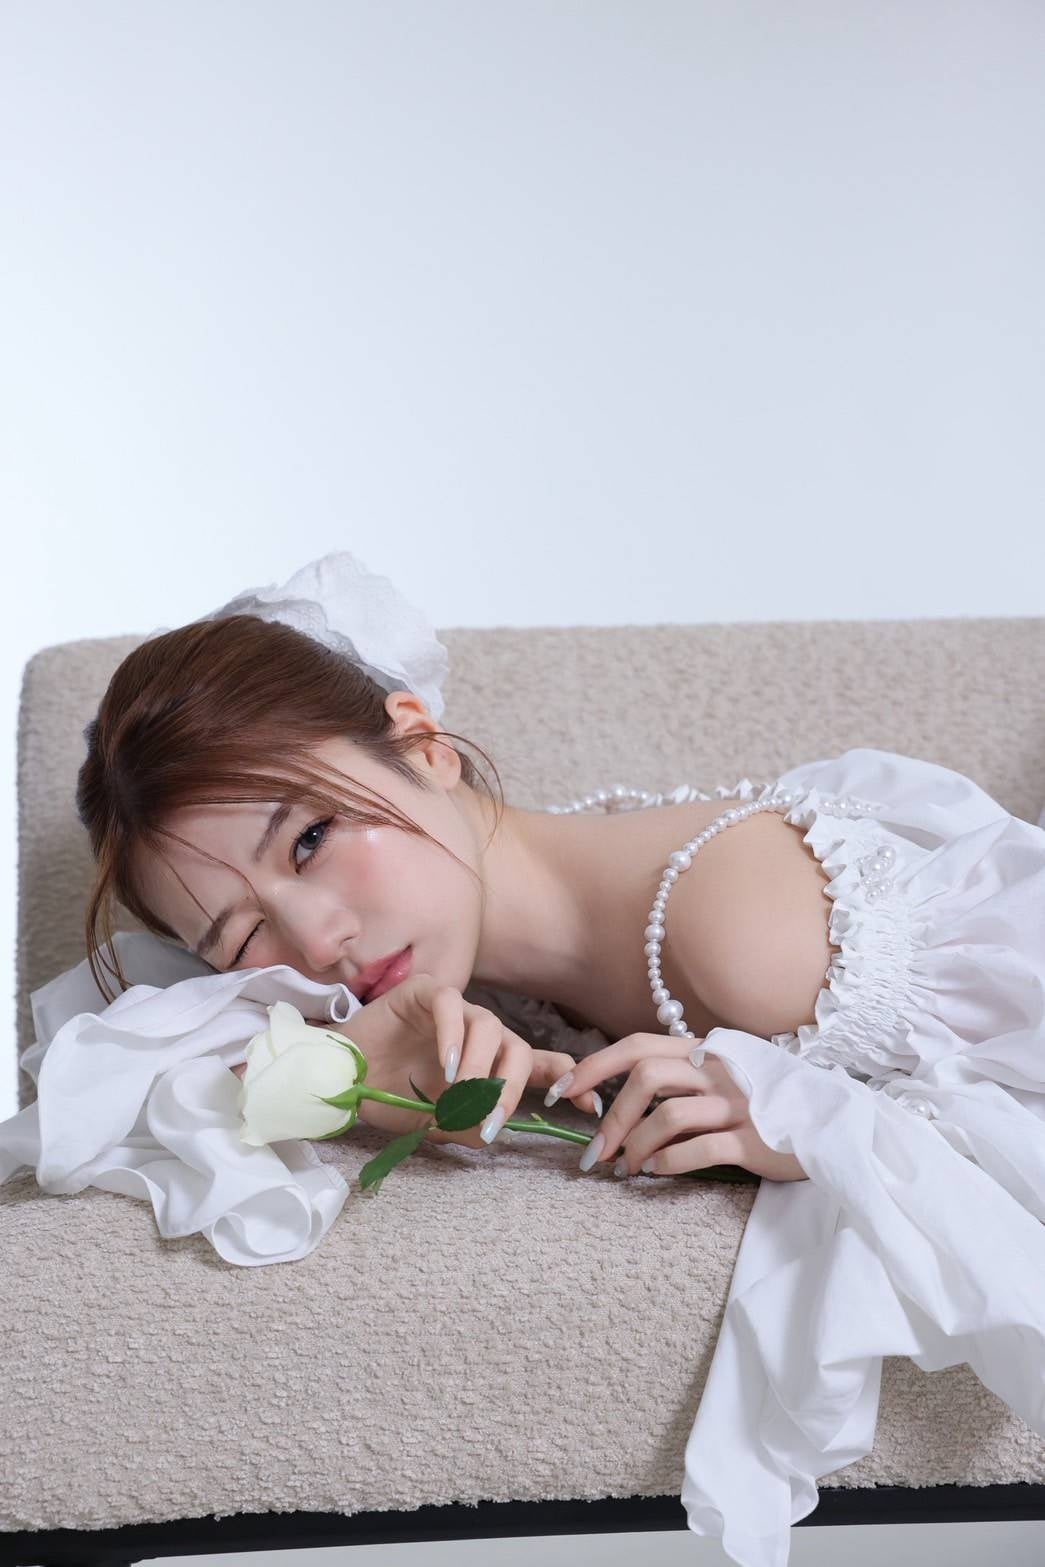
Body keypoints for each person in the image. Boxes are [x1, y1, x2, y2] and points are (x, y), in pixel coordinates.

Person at [65, 551, 1045, 1567]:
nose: (317, 942)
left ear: (423, 745)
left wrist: (824, 1123)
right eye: (240, 936)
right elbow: (142, 1071)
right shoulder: (498, 973)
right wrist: (361, 1083)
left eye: (311, 838)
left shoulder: (746, 942)